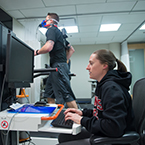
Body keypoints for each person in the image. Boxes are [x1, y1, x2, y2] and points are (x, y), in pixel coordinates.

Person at [58, 49, 135, 144]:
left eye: (91, 63)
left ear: (104, 65)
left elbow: (114, 127)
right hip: (106, 132)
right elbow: (103, 111)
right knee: (64, 137)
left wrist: (82, 120)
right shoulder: (103, 84)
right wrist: (83, 113)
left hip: (113, 138)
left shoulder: (112, 88)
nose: (87, 67)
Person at [34, 13, 78, 109]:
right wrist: (64, 60)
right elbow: (71, 49)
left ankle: (78, 119)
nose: (44, 22)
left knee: (66, 93)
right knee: (49, 93)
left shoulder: (51, 29)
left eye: (46, 19)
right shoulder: (61, 35)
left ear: (51, 20)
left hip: (58, 66)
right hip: (55, 67)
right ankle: (54, 114)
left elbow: (48, 47)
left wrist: (36, 52)